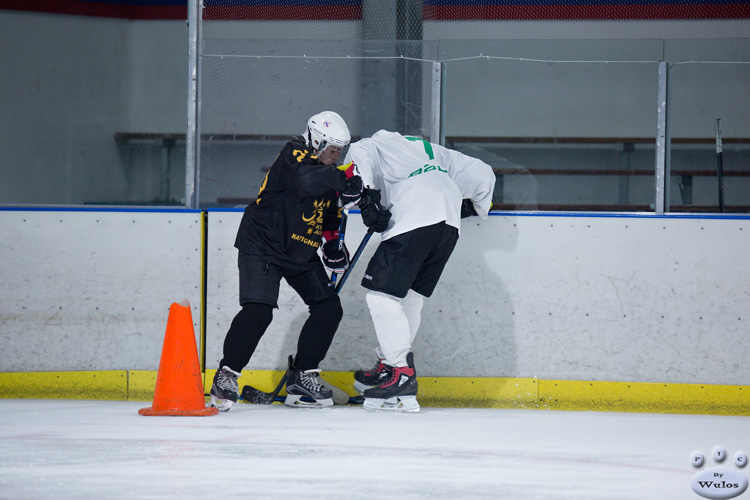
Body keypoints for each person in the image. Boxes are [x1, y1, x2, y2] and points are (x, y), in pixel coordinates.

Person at [209, 111, 363, 411]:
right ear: (316, 141)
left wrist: (333, 245)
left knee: (328, 309)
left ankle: (301, 376)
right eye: (333, 148)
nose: (337, 155)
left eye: (340, 150)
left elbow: (331, 213)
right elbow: (306, 180)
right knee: (258, 311)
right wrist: (344, 179)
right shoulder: (294, 153)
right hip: (263, 243)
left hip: (301, 250)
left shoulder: (330, 172)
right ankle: (227, 374)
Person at [344, 130, 496, 412]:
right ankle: (391, 367)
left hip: (414, 216)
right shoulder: (433, 150)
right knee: (411, 298)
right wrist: (477, 207)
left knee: (380, 297)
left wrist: (367, 198)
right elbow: (482, 172)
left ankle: (400, 372)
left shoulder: (377, 143)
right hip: (448, 226)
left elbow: (358, 156)